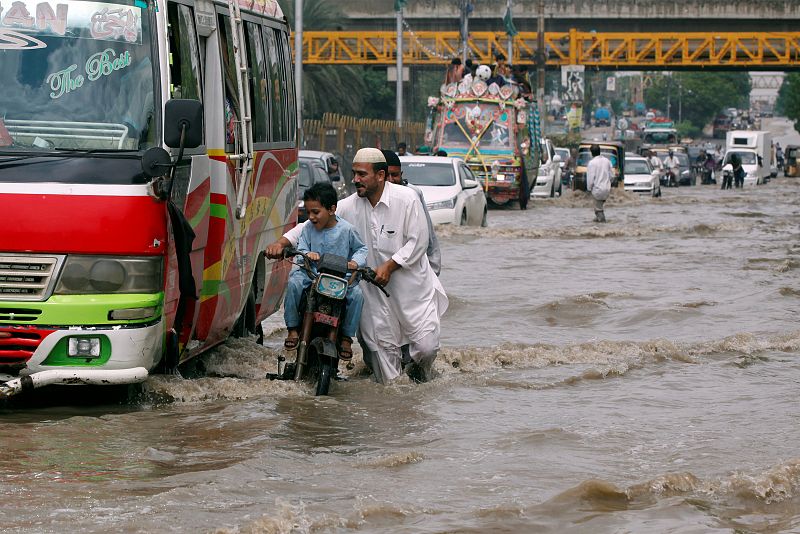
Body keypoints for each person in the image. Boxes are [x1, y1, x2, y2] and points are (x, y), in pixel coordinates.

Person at [267, 148, 448, 384]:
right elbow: (311, 225)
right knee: (385, 365)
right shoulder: (349, 205)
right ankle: (396, 400)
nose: (355, 179)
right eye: (354, 173)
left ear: (380, 176)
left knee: (426, 348)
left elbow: (419, 241)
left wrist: (390, 266)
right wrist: (281, 243)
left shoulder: (407, 199)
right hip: (373, 293)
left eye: (362, 174)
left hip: (412, 291)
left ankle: (418, 374)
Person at [282, 182, 368, 361]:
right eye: (308, 212)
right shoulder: (307, 228)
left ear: (332, 209)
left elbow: (361, 249)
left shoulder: (347, 230)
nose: (311, 217)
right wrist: (307, 254)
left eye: (316, 212)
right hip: (311, 274)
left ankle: (346, 338)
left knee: (357, 295)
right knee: (294, 283)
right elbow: (302, 248)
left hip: (340, 279)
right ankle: (292, 328)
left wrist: (355, 262)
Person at [381, 149, 441, 275]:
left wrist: (434, 271)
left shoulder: (413, 194)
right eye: (387, 176)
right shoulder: (369, 196)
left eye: (395, 175)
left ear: (401, 174)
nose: (391, 180)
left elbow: (428, 237)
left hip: (411, 270)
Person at [586, 143, 612, 223]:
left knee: (598, 210)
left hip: (597, 189)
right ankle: (598, 222)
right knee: (599, 207)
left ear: (591, 153)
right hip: (607, 189)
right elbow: (611, 175)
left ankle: (602, 226)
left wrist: (589, 189)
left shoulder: (592, 163)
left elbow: (590, 179)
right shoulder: (607, 161)